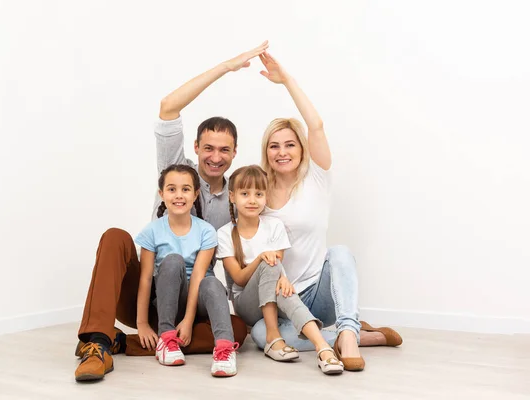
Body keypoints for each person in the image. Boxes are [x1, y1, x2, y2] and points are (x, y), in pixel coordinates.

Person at [73, 42, 270, 382]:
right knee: (116, 238)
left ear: (235, 153)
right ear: (195, 148)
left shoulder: (237, 200)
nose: (215, 156)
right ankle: (97, 344)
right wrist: (225, 67)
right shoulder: (178, 172)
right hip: (148, 291)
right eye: (208, 148)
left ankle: (130, 343)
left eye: (224, 150)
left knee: (238, 330)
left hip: (190, 299)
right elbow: (167, 107)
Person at [249, 51, 403, 371]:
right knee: (262, 335)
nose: (282, 152)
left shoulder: (316, 178)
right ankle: (359, 335)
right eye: (274, 145)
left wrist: (286, 80)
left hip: (320, 292)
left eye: (290, 144)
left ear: (301, 148)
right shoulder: (257, 191)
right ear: (266, 151)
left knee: (341, 252)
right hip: (283, 299)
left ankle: (347, 332)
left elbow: (315, 125)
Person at [217, 165, 344, 374]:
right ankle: (273, 336)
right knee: (269, 263)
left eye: (259, 194)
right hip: (247, 304)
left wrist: (284, 279)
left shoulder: (274, 225)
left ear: (266, 196)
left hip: (273, 290)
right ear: (232, 196)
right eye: (245, 194)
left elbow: (277, 266)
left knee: (286, 292)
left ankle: (323, 348)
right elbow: (239, 279)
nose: (252, 200)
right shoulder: (224, 233)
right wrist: (259, 259)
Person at [135, 164, 238, 376]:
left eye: (186, 189)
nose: (179, 195)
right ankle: (167, 337)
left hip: (198, 301)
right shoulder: (152, 231)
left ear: (195, 194)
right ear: (161, 194)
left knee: (211, 282)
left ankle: (225, 349)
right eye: (172, 189)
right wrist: (142, 324)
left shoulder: (206, 231)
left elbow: (199, 276)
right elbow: (145, 279)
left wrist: (189, 321)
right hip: (168, 299)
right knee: (173, 261)